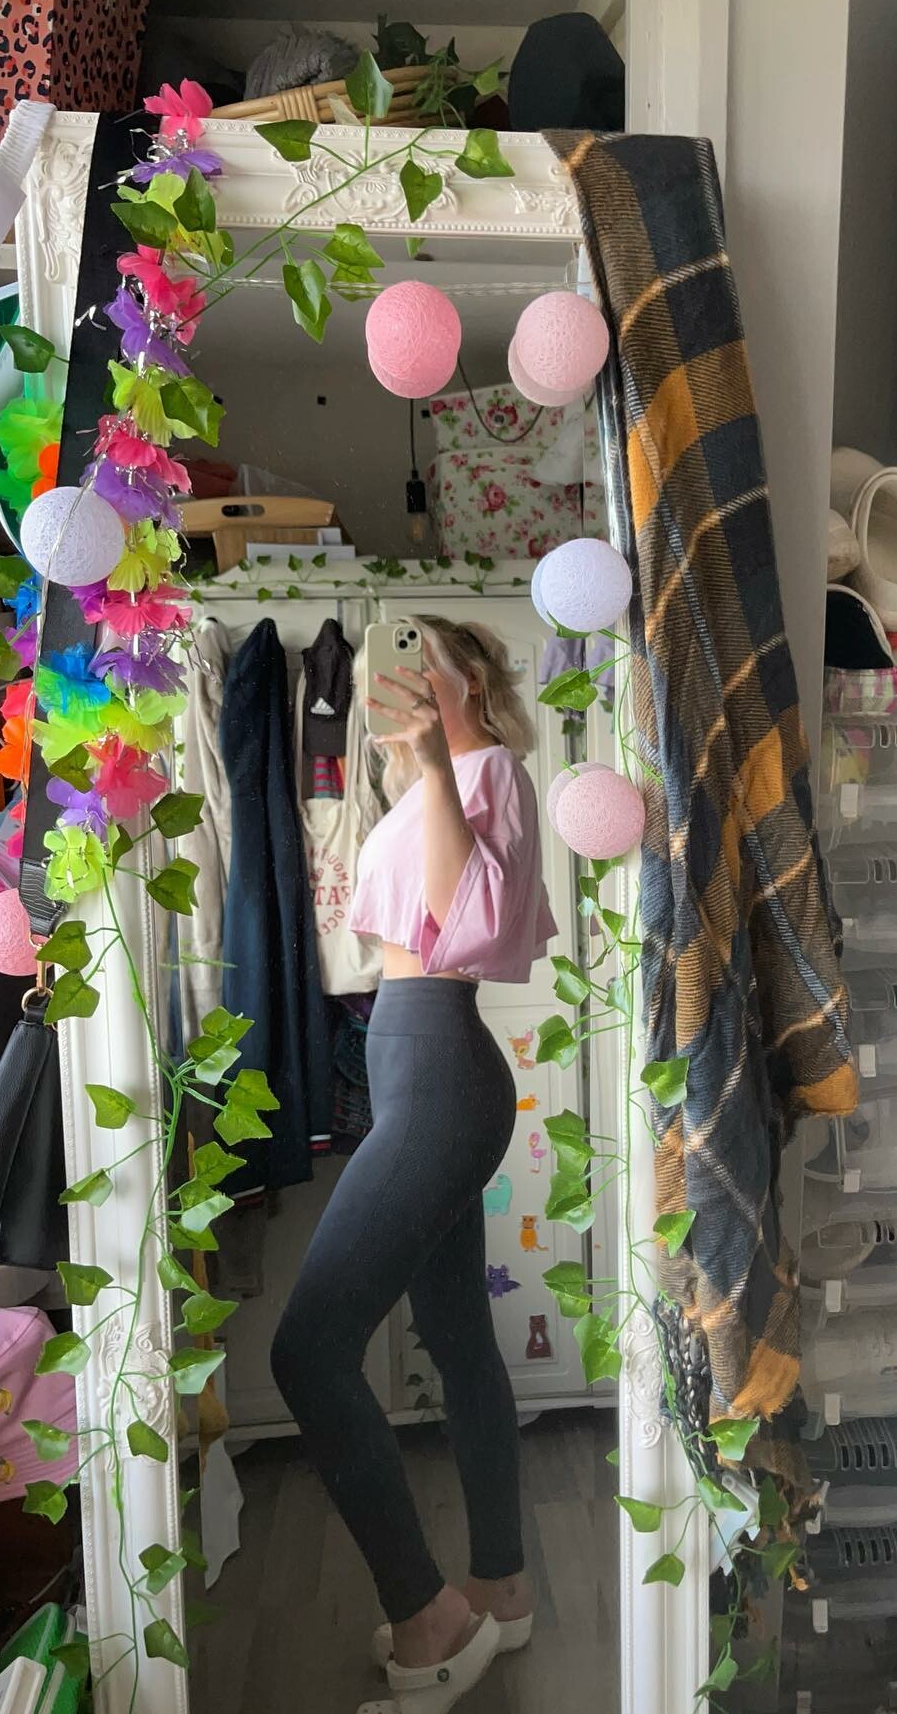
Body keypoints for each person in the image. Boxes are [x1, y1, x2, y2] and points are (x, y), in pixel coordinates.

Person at [270, 615, 558, 1714]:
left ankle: (429, 1619)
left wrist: (433, 768)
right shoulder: (429, 780)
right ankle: (502, 1588)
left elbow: (457, 917)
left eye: (422, 661)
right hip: (415, 1060)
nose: (400, 680)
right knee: (457, 1337)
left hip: (438, 1065)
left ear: (468, 678)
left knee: (309, 1354)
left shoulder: (490, 774)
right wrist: (413, 772)